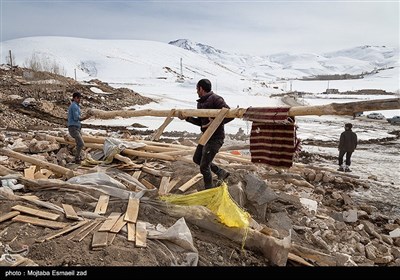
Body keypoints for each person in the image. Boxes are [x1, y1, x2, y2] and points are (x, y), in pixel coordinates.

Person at [178, 79, 233, 189]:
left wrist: (216, 121)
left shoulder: (216, 99)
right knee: (197, 159)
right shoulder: (200, 103)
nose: (196, 91)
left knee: (204, 166)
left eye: (197, 89)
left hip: (216, 138)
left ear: (201, 88)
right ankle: (220, 172)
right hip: (206, 136)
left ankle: (209, 190)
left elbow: (230, 115)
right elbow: (201, 123)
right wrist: (187, 118)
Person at [67, 92, 90, 164]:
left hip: (76, 127)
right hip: (73, 127)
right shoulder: (74, 106)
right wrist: (86, 117)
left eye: (80, 98)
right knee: (81, 143)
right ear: (74, 98)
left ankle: (78, 158)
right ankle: (77, 158)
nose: (79, 99)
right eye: (78, 98)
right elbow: (76, 118)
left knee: (78, 143)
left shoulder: (76, 106)